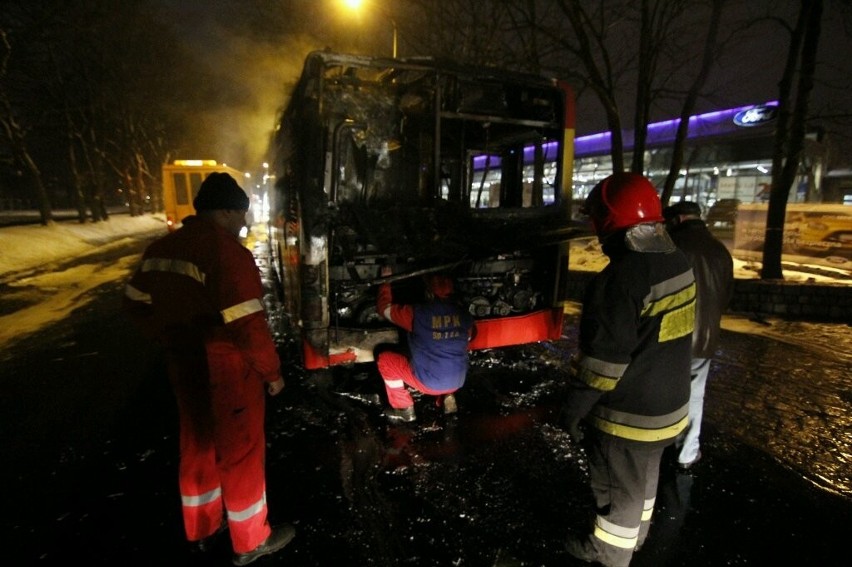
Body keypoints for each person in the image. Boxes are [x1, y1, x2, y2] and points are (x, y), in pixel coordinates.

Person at [123, 172, 295, 566]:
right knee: (241, 451)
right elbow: (249, 326)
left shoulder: (160, 248)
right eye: (240, 215)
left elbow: (134, 303)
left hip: (184, 364)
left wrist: (168, 336)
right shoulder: (225, 253)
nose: (243, 224)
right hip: (227, 370)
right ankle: (250, 541)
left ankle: (201, 527)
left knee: (197, 443)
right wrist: (272, 373)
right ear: (225, 211)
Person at [561, 173, 696, 567]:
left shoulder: (621, 279)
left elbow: (603, 366)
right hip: (670, 409)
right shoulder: (677, 259)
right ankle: (635, 538)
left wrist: (573, 409)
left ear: (607, 221)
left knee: (618, 488)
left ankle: (610, 554)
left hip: (629, 416)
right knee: (644, 479)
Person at [663, 200, 734, 471]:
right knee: (694, 395)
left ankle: (655, 445)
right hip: (704, 339)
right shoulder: (719, 251)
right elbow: (726, 295)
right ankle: (687, 452)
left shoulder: (672, 249)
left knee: (662, 391)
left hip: (671, 336)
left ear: (678, 220)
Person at [374, 265, 474, 423]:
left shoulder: (417, 314)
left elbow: (384, 309)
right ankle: (448, 395)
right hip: (458, 381)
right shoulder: (464, 314)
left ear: (428, 292)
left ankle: (404, 409)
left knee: (385, 360)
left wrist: (386, 280)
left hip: (430, 384)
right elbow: (468, 338)